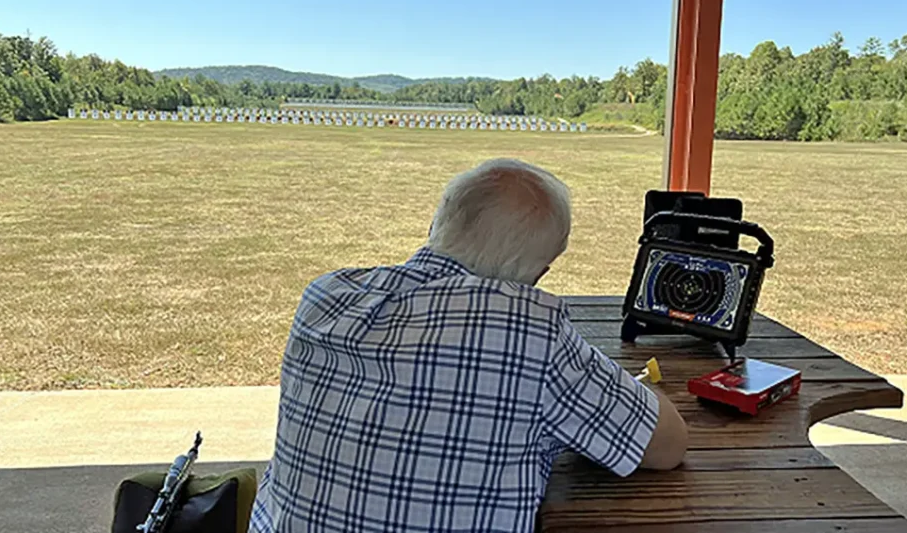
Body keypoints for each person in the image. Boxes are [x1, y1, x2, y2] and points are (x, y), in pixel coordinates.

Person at [251, 158, 688, 533]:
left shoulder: (324, 296)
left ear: (436, 225)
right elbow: (667, 445)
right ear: (538, 275)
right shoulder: (530, 327)